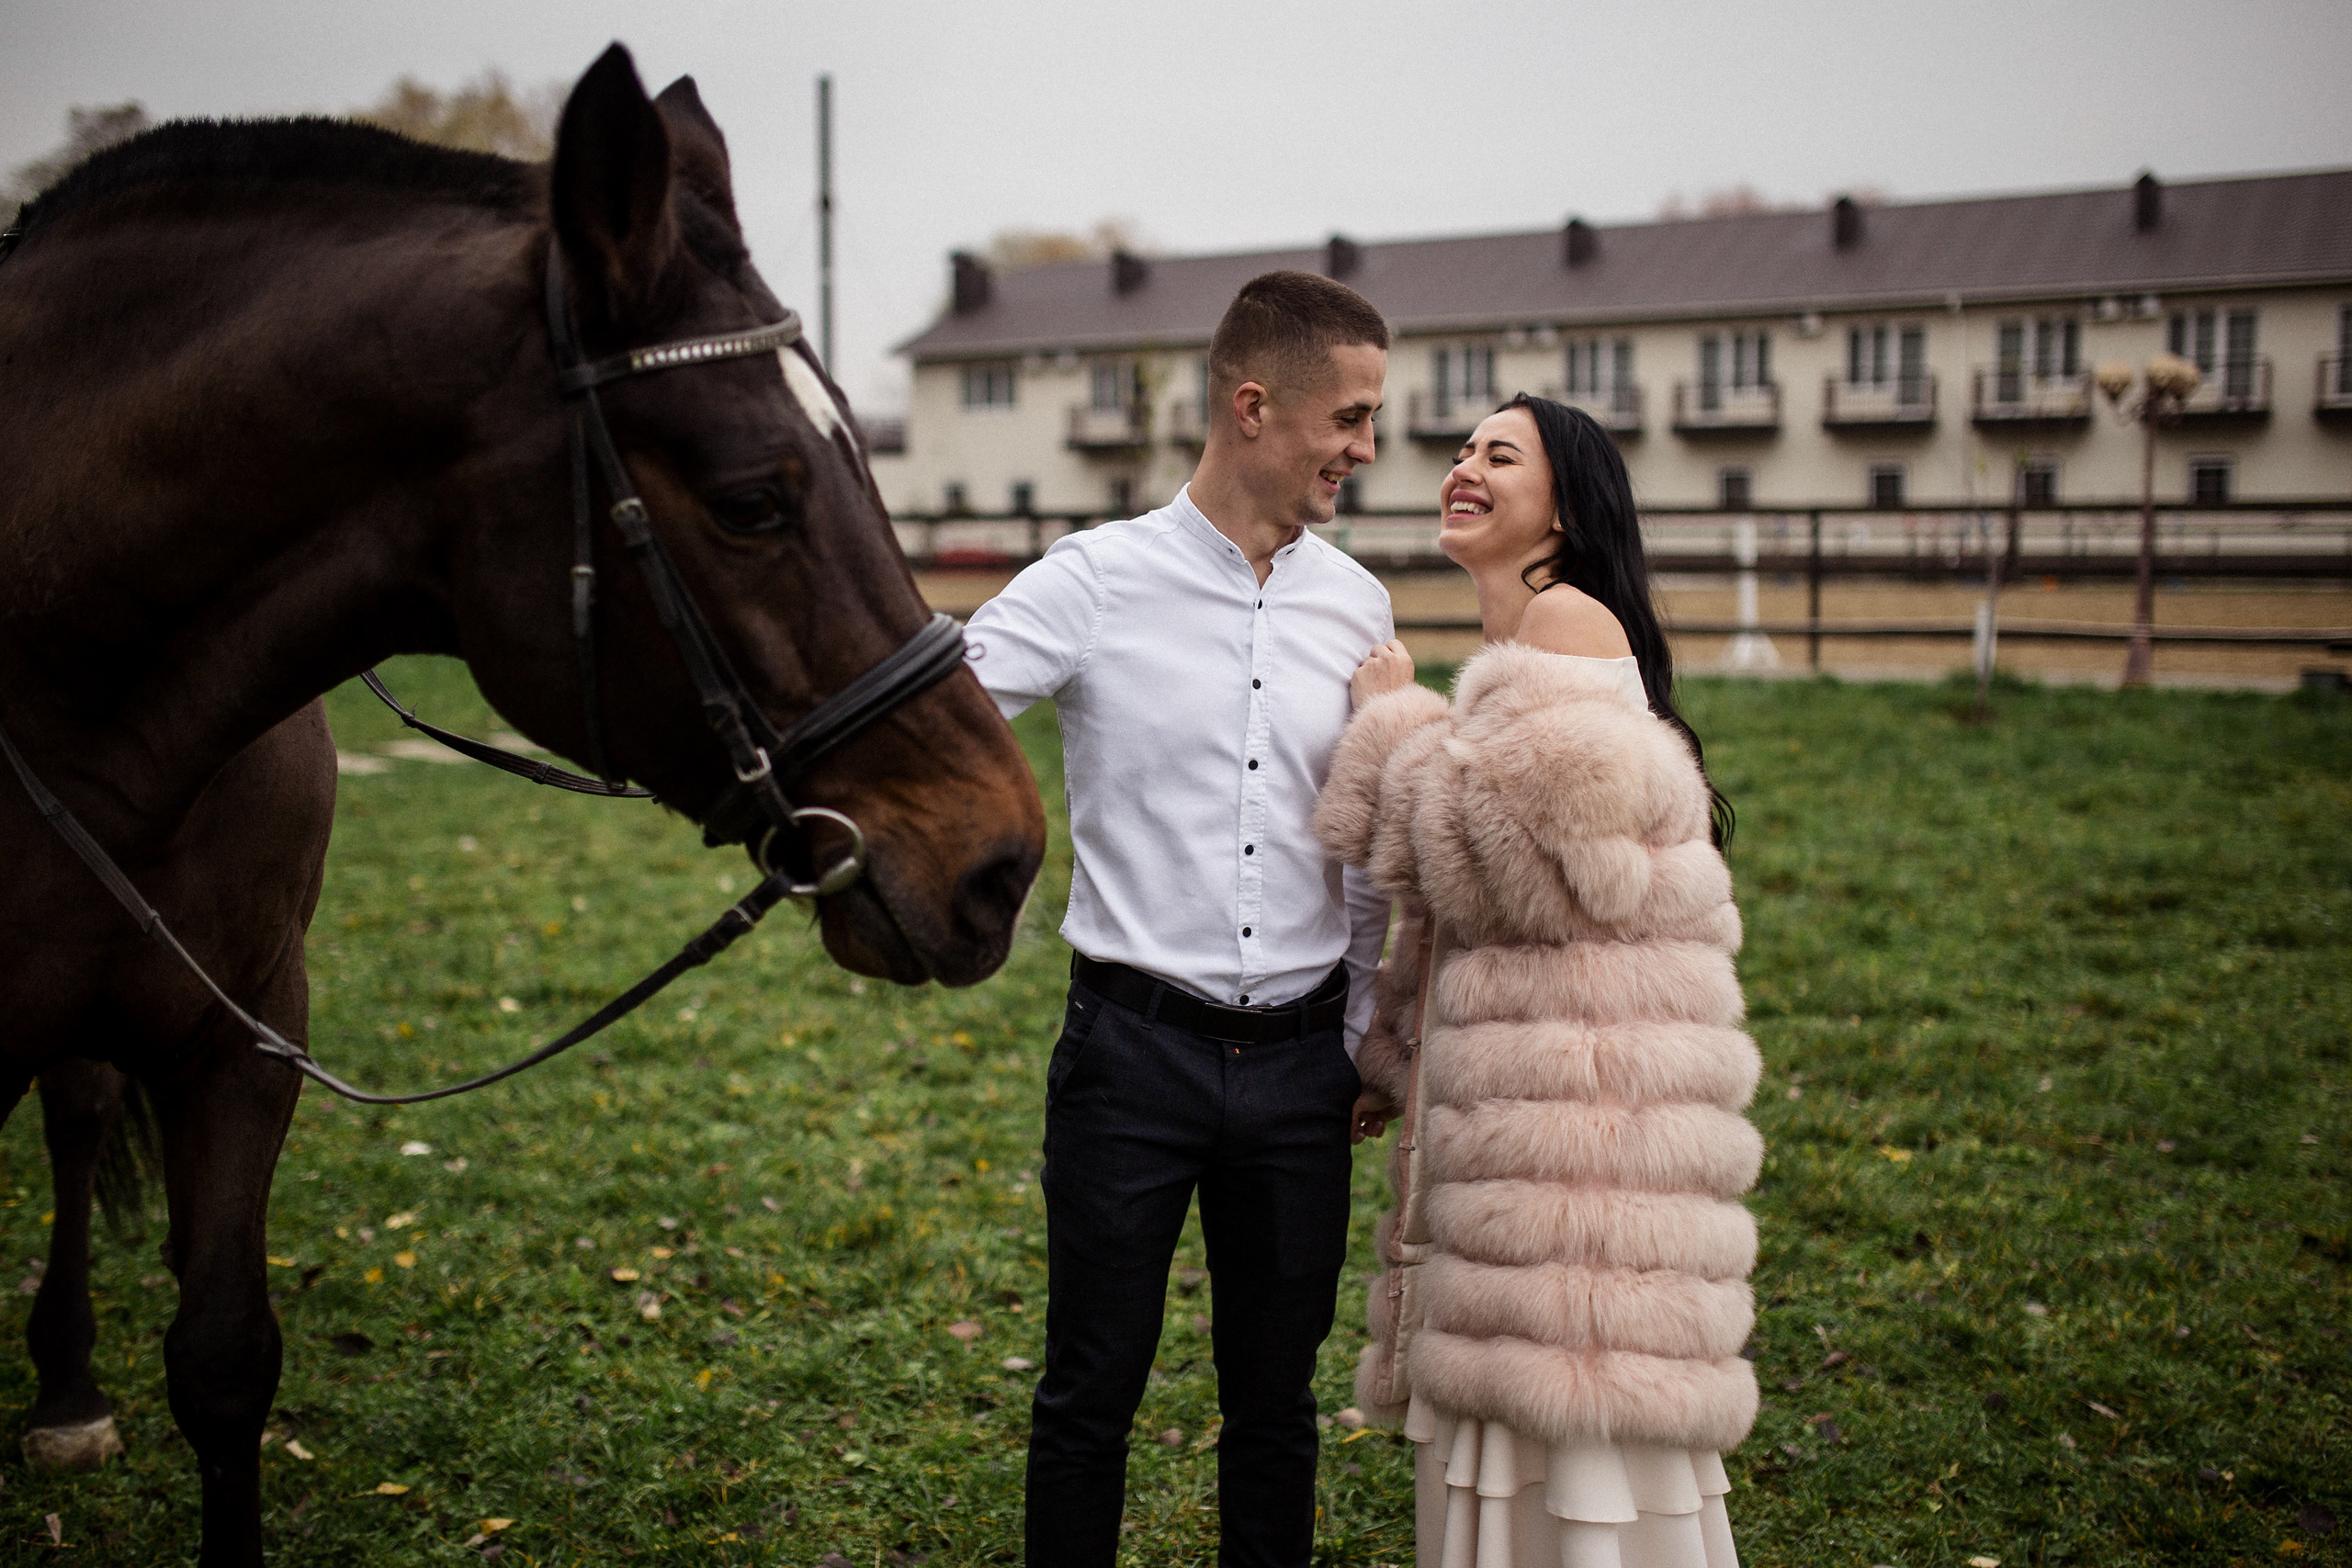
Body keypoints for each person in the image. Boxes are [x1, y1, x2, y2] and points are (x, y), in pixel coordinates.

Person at [967, 271, 1396, 1568]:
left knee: (1276, 1405)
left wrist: (1364, 1031)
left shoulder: (1359, 607)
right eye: (1351, 417)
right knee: (1087, 1394)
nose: (1367, 449)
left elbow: (1363, 846)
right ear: (1254, 407)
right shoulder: (1093, 581)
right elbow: (935, 716)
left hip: (1305, 1068)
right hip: (1130, 1057)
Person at [1316, 393, 1757, 1567]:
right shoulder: (1527, 644)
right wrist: (1396, 1060)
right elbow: (1490, 921)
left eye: (1499, 456)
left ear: (1563, 511)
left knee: (1566, 1405)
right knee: (1538, 1415)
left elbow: (1499, 858)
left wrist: (1387, 723)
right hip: (1551, 1121)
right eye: (1461, 451)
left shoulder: (1565, 619)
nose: (1463, 468)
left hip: (1582, 1147)